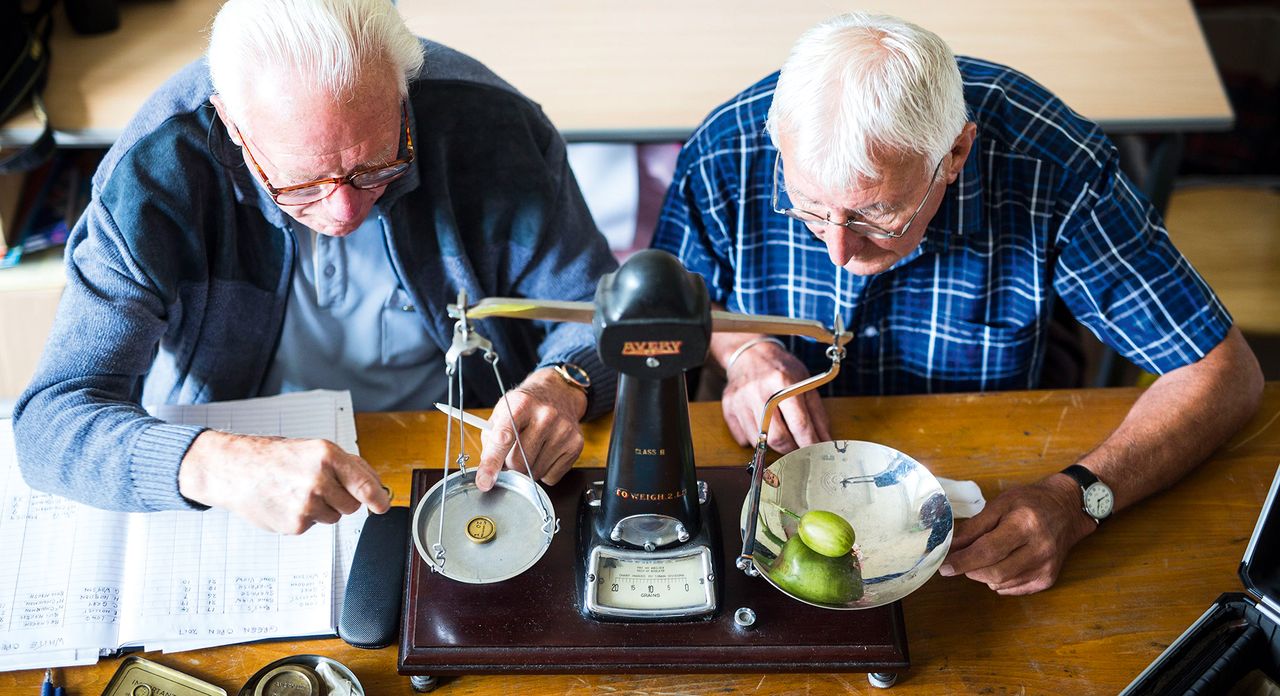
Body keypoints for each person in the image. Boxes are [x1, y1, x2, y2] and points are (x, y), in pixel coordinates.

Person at [653, 13, 1263, 594]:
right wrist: (744, 351)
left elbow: (1222, 371)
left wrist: (1076, 500)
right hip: (788, 480)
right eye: (810, 211)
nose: (839, 251)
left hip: (994, 478)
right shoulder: (727, 149)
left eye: (876, 214)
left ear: (954, 155)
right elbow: (670, 309)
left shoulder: (1049, 163)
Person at [13, 0, 618, 534]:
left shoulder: (492, 128)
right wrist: (216, 464)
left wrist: (565, 382)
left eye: (379, 165)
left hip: (458, 445)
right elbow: (49, 423)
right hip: (238, 459)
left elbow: (602, 311)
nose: (344, 211)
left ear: (405, 95)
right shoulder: (154, 177)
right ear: (232, 127)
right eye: (301, 184)